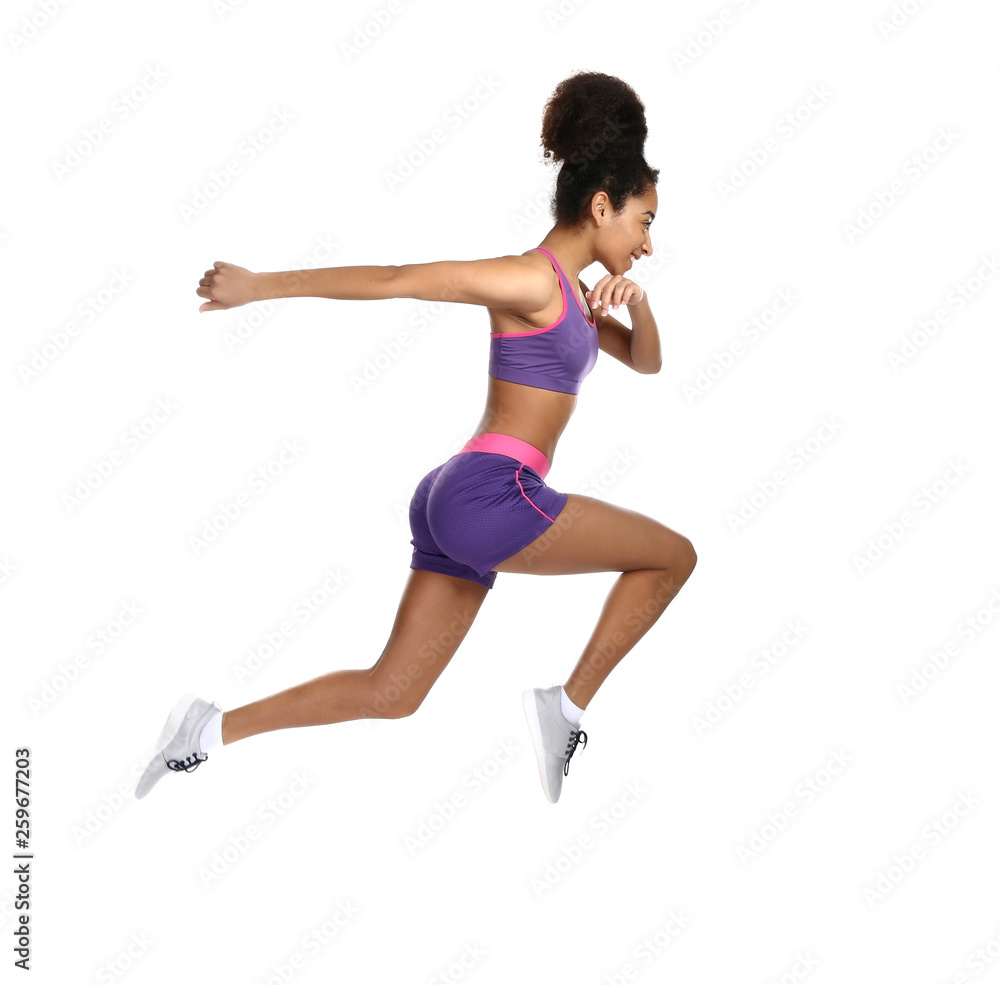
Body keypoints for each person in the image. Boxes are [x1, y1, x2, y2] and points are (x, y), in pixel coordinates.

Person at [135, 70, 697, 805]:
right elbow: (399, 278)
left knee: (393, 690)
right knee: (672, 557)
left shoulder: (585, 304)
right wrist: (260, 285)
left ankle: (205, 730)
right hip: (494, 494)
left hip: (456, 497)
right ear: (602, 206)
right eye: (645, 220)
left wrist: (637, 303)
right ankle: (564, 708)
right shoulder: (530, 281)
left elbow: (648, 361)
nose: (648, 242)